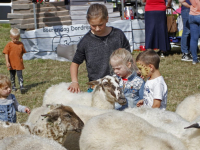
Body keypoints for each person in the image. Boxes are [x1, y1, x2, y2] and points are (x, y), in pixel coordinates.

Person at [68, 3, 130, 93]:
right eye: (93, 25)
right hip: (96, 87)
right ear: (88, 21)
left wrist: (135, 71)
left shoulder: (118, 35)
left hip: (119, 84)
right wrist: (74, 82)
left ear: (107, 19)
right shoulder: (85, 41)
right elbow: (75, 63)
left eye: (100, 25)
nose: (97, 29)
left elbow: (129, 57)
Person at [3, 27, 26, 93]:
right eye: (14, 38)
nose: (15, 40)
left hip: (18, 63)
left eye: (17, 38)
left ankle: (21, 86)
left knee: (20, 75)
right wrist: (7, 62)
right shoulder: (9, 45)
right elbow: (6, 53)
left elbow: (22, 52)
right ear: (10, 37)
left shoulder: (21, 44)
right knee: (12, 75)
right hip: (11, 63)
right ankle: (13, 86)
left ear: (19, 37)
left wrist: (20, 59)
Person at [179, 0, 200, 64]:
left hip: (192, 15)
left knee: (193, 38)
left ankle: (194, 59)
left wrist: (191, 6)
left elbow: (181, 1)